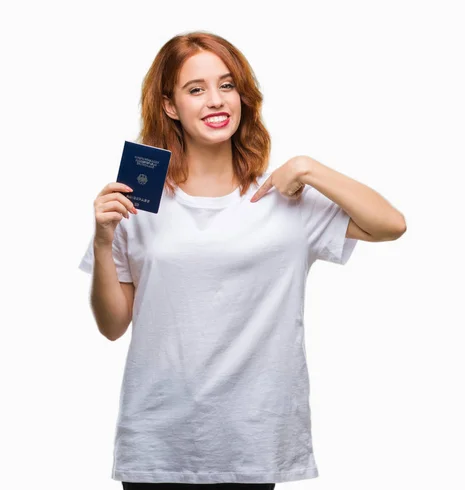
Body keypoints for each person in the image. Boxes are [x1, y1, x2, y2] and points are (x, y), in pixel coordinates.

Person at [78, 31, 406, 488]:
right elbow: (113, 326)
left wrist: (310, 168)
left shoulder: (285, 198)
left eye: (227, 85)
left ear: (243, 96)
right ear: (170, 105)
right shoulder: (138, 201)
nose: (216, 100)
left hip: (252, 443)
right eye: (196, 89)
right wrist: (101, 239)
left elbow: (390, 224)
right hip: (158, 444)